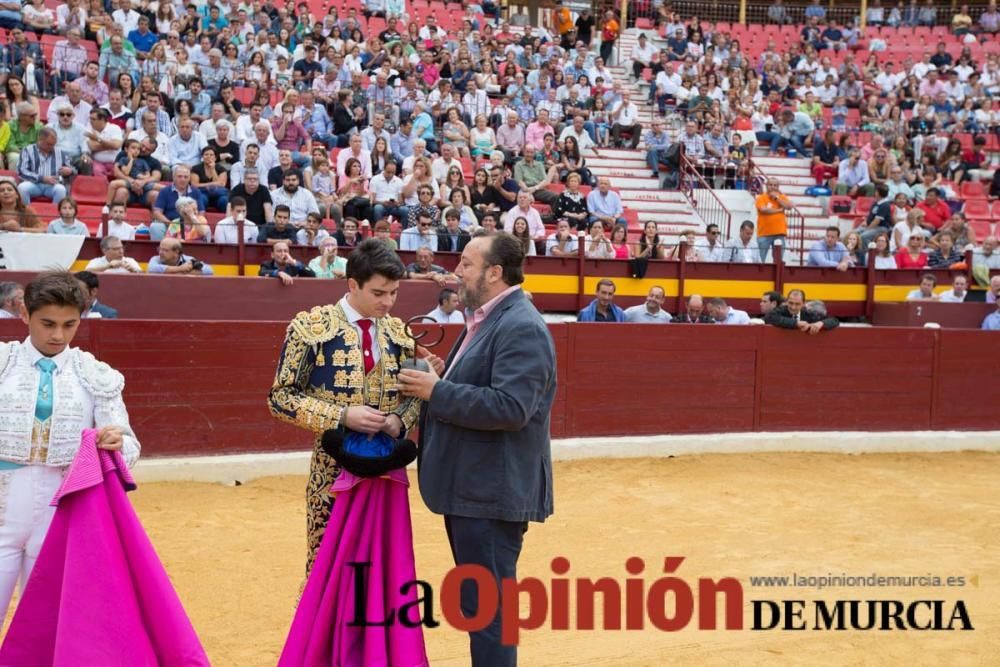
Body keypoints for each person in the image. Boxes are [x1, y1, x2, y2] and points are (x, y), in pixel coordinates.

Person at [397, 232, 556, 667]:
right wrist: (444, 376)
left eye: (466, 264)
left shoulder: (520, 325)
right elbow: (488, 388)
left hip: (491, 493)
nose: (457, 272)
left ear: (494, 272)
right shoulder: (490, 319)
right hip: (476, 487)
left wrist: (437, 391)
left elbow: (511, 407)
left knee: (487, 612)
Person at [273, 240, 427, 666]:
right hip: (331, 475)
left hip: (385, 477)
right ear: (353, 283)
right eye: (379, 293)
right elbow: (281, 398)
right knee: (326, 566)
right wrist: (341, 414)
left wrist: (398, 420)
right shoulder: (310, 327)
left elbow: (414, 396)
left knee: (382, 569)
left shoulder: (398, 332)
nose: (388, 302)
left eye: (394, 293)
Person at [0, 272, 140, 619]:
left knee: (45, 619)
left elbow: (130, 445)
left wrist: (117, 443)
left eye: (69, 324)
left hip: (60, 506)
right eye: (47, 323)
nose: (58, 335)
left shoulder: (94, 374)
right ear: (24, 315)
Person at [764, 289, 839, 333]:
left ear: (803, 304)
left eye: (797, 304)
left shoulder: (808, 313)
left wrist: (821, 323)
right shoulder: (781, 310)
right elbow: (769, 317)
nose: (793, 307)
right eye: (791, 303)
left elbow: (834, 320)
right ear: (786, 302)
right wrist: (796, 323)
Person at [755, 178, 793, 263]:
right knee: (760, 260)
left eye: (775, 185)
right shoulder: (761, 198)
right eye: (770, 185)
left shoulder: (782, 197)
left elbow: (789, 206)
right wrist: (779, 210)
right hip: (764, 234)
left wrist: (776, 198)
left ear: (778, 187)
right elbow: (763, 210)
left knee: (778, 261)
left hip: (779, 233)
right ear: (766, 186)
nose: (772, 187)